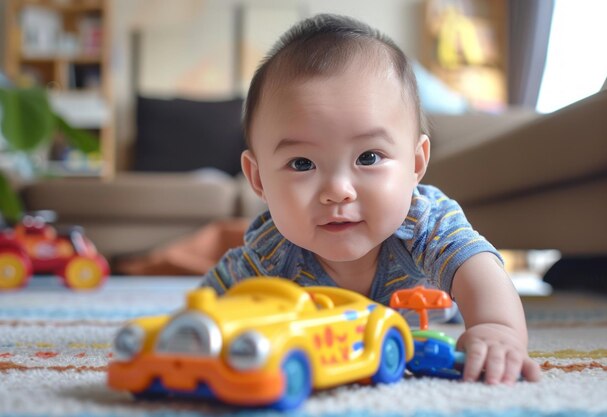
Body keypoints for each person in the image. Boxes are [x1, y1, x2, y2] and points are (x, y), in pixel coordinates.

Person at [201, 13, 541, 385]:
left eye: (368, 158)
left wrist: (497, 327)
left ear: (414, 164)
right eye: (302, 163)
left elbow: (478, 268)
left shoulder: (423, 222)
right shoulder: (268, 254)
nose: (338, 190)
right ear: (258, 178)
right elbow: (208, 307)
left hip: (428, 321)